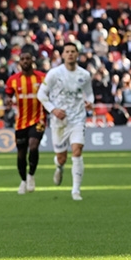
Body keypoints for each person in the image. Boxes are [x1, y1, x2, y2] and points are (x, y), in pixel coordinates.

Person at [37, 42, 94, 201]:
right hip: (59, 122)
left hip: (78, 118)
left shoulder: (84, 75)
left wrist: (90, 102)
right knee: (62, 157)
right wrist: (53, 110)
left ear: (77, 54)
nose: (70, 54)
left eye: (73, 51)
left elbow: (89, 94)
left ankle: (76, 190)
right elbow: (41, 94)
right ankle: (59, 166)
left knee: (77, 151)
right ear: (62, 55)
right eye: (67, 51)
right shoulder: (54, 74)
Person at [5, 51, 46, 194]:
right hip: (21, 122)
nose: (25, 61)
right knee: (21, 154)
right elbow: (8, 95)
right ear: (19, 63)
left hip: (39, 119)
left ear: (32, 61)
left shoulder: (42, 78)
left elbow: (51, 92)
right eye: (22, 59)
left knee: (33, 146)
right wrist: (8, 101)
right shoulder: (13, 80)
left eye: (27, 58)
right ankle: (23, 180)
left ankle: (31, 175)